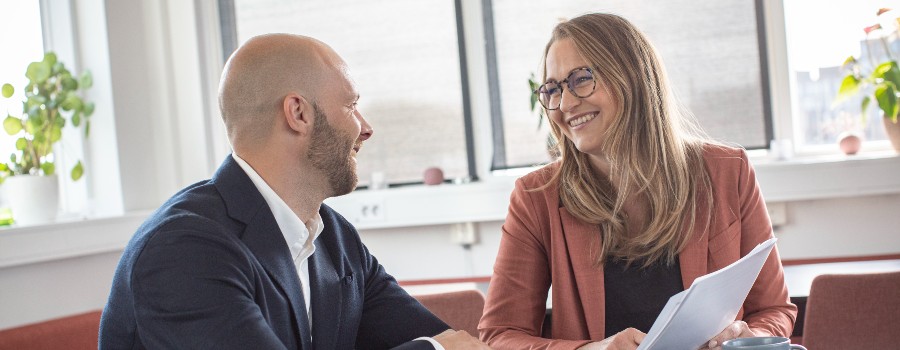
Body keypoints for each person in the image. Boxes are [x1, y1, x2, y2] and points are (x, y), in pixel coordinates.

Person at [99, 33, 488, 350]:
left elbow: (454, 343)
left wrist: (440, 347)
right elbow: (443, 348)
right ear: (298, 113)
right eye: (351, 106)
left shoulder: (335, 239)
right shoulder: (183, 249)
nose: (365, 128)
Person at [478, 13, 797, 350]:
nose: (566, 103)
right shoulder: (535, 197)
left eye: (581, 79)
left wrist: (744, 338)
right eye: (553, 89)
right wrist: (595, 349)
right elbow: (500, 336)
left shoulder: (728, 172)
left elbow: (774, 309)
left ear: (633, 77)